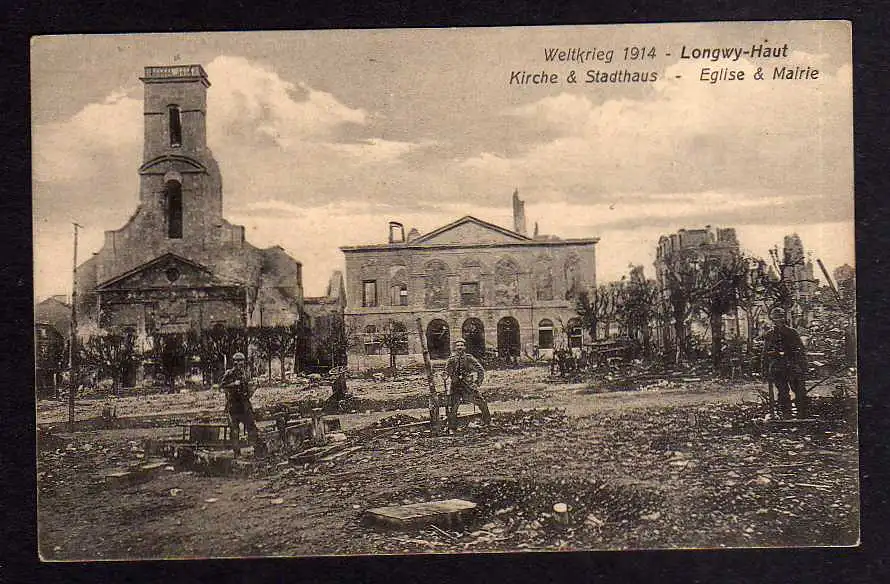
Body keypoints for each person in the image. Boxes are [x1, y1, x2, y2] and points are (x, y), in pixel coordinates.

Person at [761, 307, 809, 419]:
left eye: (780, 319)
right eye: (776, 319)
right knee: (783, 393)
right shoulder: (769, 335)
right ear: (772, 320)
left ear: (784, 319)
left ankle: (802, 415)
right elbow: (765, 354)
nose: (778, 322)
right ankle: (786, 415)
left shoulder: (792, 333)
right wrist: (764, 369)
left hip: (793, 366)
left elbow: (801, 350)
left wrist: (804, 366)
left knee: (799, 391)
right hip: (778, 368)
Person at [220, 352, 267, 458]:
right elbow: (222, 386)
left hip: (245, 405)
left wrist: (253, 387)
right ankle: (237, 453)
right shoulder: (229, 373)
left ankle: (257, 450)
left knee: (251, 427)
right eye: (238, 361)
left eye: (242, 361)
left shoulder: (245, 373)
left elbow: (247, 388)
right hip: (234, 406)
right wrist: (233, 384)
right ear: (234, 362)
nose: (240, 363)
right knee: (235, 430)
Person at [444, 339, 491, 429]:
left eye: (461, 345)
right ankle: (452, 427)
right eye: (458, 346)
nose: (460, 347)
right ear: (455, 348)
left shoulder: (469, 358)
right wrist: (445, 375)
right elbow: (446, 371)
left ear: (464, 347)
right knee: (453, 406)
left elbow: (480, 370)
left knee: (481, 402)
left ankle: (487, 422)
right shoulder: (451, 359)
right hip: (455, 386)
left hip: (468, 386)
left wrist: (477, 383)